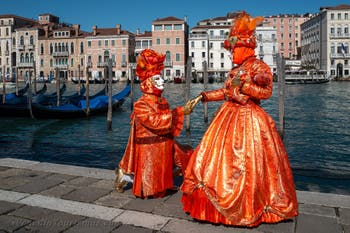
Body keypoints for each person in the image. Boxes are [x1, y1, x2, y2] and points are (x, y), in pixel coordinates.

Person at [181, 11, 298, 227]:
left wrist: (244, 86)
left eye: (233, 49)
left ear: (244, 47)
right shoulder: (236, 69)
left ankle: (249, 205)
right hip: (228, 116)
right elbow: (226, 93)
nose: (231, 53)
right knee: (212, 160)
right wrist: (204, 96)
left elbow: (266, 92)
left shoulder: (258, 66)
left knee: (248, 164)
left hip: (251, 119)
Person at [115, 49, 193, 198]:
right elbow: (155, 122)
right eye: (157, 80)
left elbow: (165, 121)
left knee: (187, 155)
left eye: (161, 78)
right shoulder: (141, 104)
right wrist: (180, 112)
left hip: (164, 142)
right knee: (152, 172)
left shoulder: (162, 101)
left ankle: (164, 184)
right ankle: (127, 178)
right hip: (149, 146)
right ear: (149, 83)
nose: (162, 81)